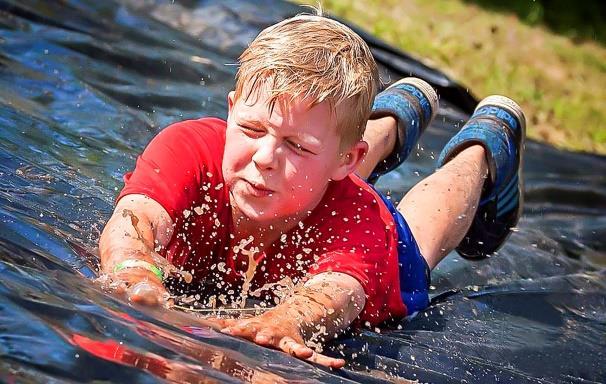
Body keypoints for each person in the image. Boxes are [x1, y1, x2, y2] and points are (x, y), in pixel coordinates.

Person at [98, 13, 525, 369]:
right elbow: (135, 217)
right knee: (319, 147)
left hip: (365, 214)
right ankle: (391, 118)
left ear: (349, 161)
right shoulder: (189, 147)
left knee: (418, 237)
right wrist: (134, 269)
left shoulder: (362, 221)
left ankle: (484, 147)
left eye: (295, 146)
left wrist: (288, 320)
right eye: (250, 128)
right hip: (326, 164)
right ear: (231, 109)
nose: (263, 157)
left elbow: (338, 290)